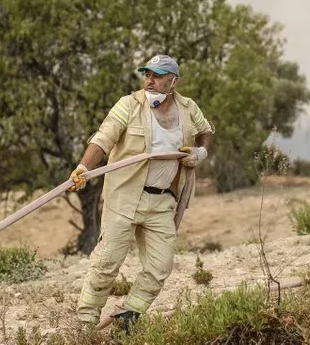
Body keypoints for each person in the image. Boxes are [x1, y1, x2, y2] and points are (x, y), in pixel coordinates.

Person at [69, 54, 214, 335]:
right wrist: (83, 167)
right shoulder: (129, 105)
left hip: (162, 201)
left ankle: (126, 319)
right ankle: (85, 325)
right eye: (146, 74)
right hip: (124, 198)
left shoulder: (188, 109)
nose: (149, 80)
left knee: (160, 266)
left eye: (157, 76)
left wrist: (200, 152)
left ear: (173, 81)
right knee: (106, 262)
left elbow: (206, 132)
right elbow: (103, 138)